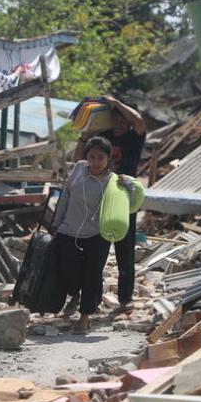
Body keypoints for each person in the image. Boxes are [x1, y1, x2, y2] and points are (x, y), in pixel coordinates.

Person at [52, 137, 135, 334]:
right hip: (68, 229)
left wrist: (129, 187)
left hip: (96, 234)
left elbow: (128, 205)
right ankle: (74, 294)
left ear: (108, 159)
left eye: (100, 157)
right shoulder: (79, 168)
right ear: (86, 157)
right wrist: (56, 222)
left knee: (92, 274)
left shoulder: (114, 182)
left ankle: (85, 317)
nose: (96, 162)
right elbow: (66, 195)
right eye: (92, 157)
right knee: (67, 270)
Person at [74, 96, 146, 313]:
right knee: (97, 251)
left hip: (124, 198)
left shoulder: (134, 137)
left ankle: (125, 299)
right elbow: (78, 159)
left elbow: (140, 122)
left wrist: (115, 103)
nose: (121, 122)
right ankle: (93, 300)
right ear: (111, 119)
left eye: (124, 118)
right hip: (99, 196)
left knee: (125, 252)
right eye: (116, 117)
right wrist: (83, 137)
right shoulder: (101, 138)